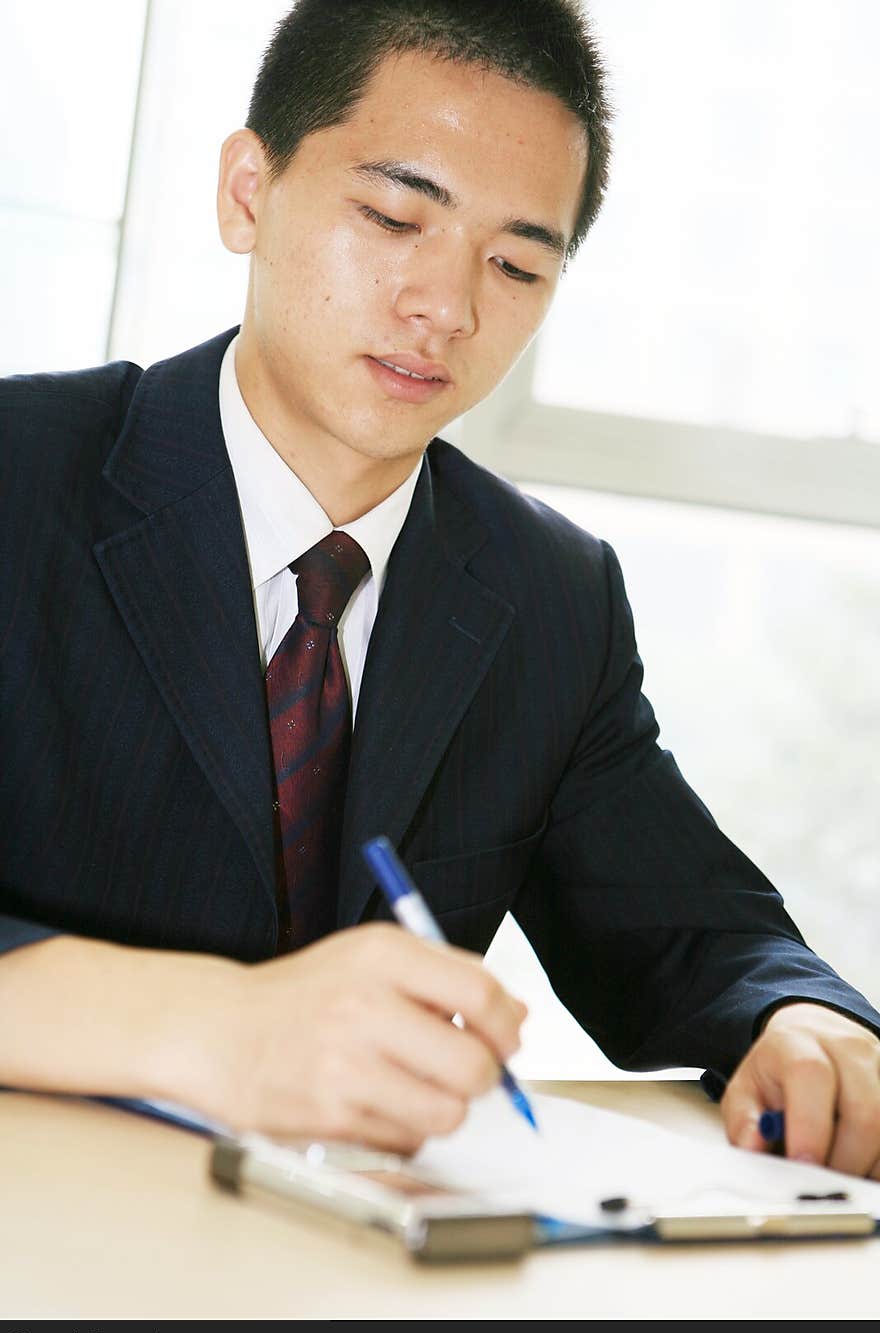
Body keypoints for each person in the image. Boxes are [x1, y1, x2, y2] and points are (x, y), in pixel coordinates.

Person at [1, 0, 878, 1178]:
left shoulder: (548, 594)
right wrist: (213, 1029)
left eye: (516, 264)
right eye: (394, 216)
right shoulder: (21, 478)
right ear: (247, 193)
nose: (449, 307)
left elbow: (691, 930)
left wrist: (801, 1021)